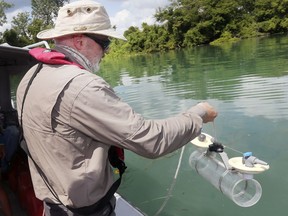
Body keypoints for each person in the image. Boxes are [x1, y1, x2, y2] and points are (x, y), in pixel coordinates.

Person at [16, 1, 217, 216]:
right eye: (105, 42)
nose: (107, 51)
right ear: (80, 41)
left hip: (52, 204)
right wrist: (199, 114)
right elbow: (150, 140)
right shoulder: (82, 86)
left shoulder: (30, 75)